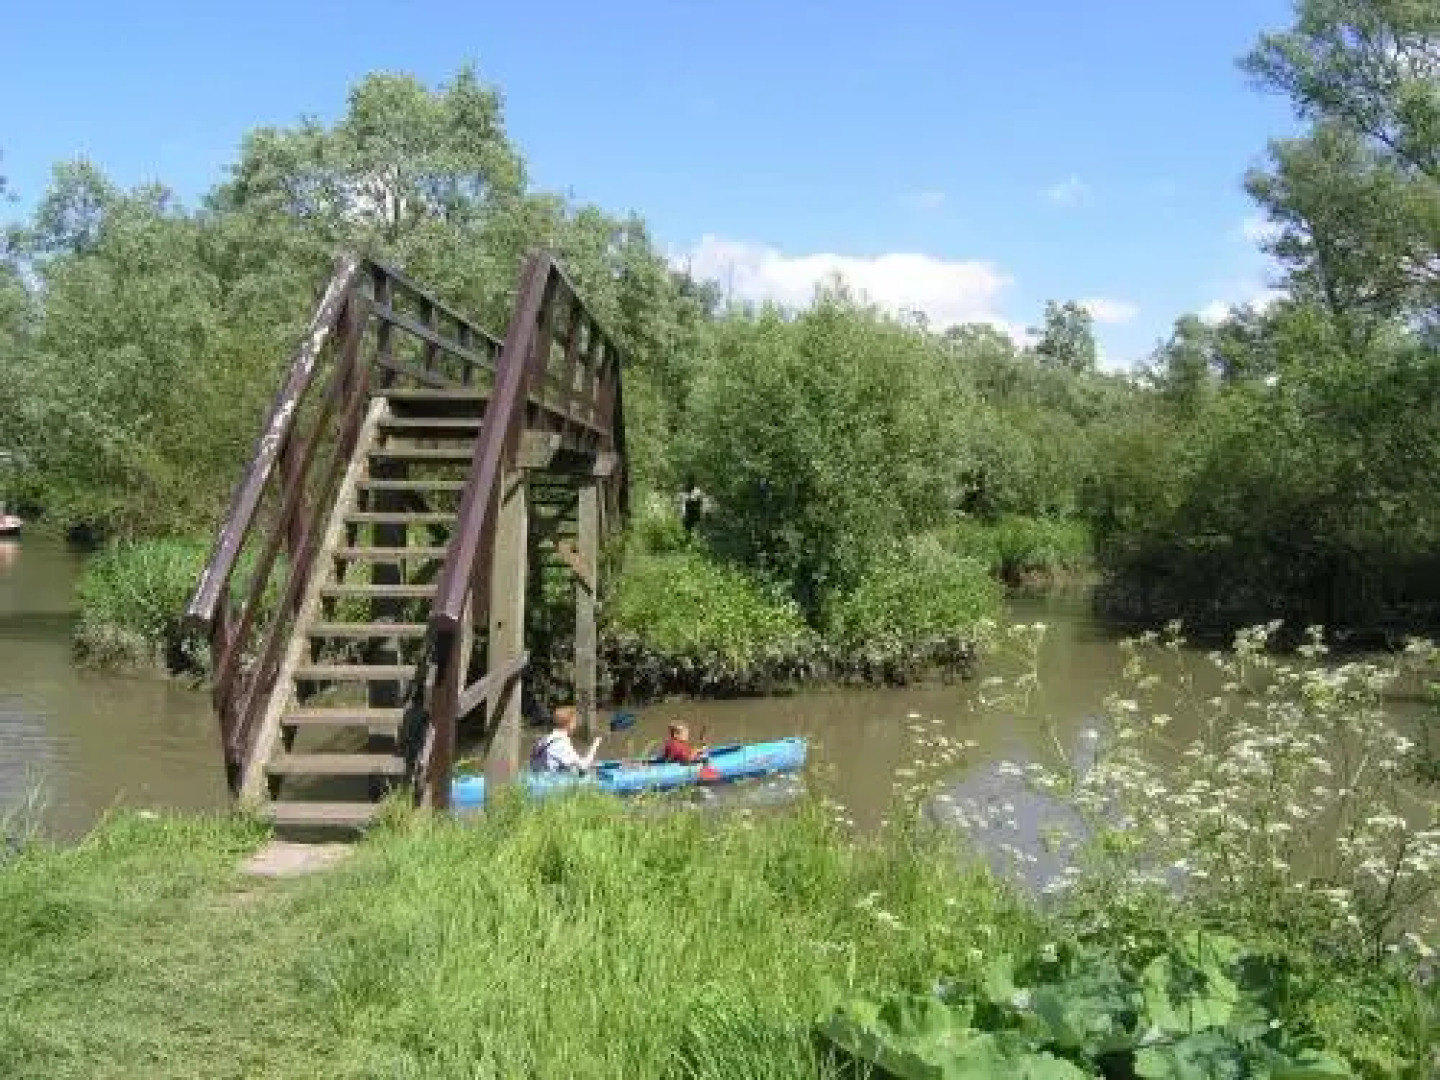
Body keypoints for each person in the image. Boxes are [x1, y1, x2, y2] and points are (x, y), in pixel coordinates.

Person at [529, 706, 602, 774]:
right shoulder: (561, 743)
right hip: (552, 780)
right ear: (570, 724)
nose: (576, 725)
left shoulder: (545, 739)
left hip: (539, 776)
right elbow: (583, 766)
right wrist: (595, 744)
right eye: (575, 722)